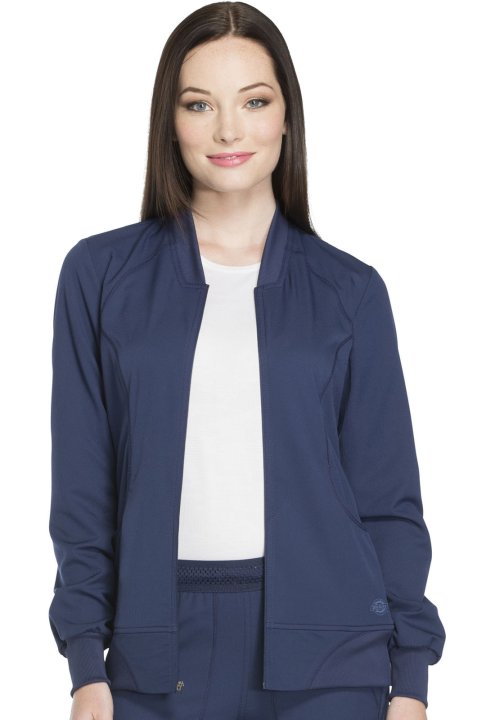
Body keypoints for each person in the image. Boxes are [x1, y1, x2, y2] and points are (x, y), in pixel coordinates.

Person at [48, 3, 446, 719]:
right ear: (170, 122)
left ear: (286, 116)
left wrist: (411, 681)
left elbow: (388, 500)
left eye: (254, 102)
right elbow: (82, 491)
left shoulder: (350, 291)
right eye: (199, 104)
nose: (228, 130)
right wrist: (85, 665)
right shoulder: (100, 277)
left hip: (330, 658)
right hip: (152, 657)